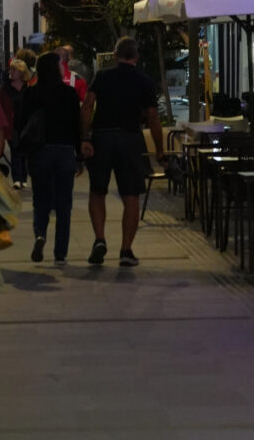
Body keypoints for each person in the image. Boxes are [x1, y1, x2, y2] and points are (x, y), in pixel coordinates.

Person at [80, 37, 164, 268]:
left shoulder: (102, 77)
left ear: (115, 55)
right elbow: (153, 118)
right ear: (136, 57)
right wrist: (160, 151)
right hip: (130, 138)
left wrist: (85, 137)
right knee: (131, 195)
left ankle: (99, 238)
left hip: (102, 137)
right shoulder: (144, 81)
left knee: (97, 191)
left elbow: (87, 106)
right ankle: (126, 249)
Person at [20, 52, 81, 265]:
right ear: (56, 68)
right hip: (64, 151)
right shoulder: (69, 94)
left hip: (39, 152)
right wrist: (80, 156)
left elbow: (22, 123)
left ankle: (40, 234)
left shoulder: (31, 94)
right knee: (64, 203)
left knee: (41, 199)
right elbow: (76, 127)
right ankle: (60, 253)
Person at [0, 58, 31, 189]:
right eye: (11, 69)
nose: (11, 72)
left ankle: (23, 177)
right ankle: (17, 178)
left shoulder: (29, 88)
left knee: (24, 152)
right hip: (11, 124)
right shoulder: (5, 90)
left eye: (14, 70)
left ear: (22, 72)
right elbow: (0, 106)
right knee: (15, 150)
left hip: (25, 124)